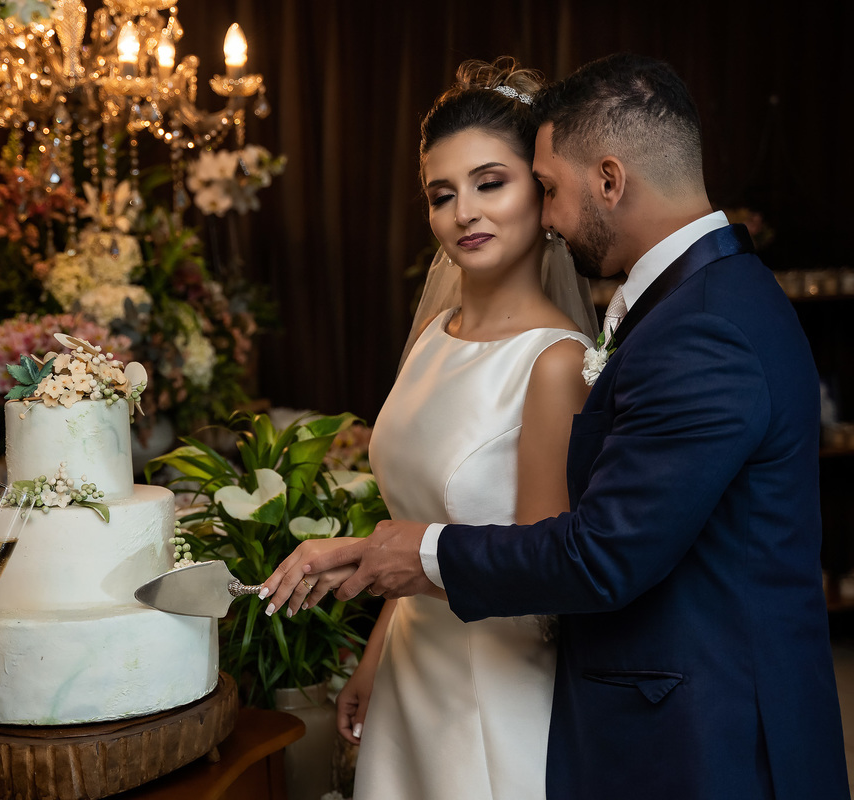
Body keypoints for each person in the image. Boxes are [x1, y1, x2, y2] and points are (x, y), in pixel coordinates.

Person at [263, 53, 849, 799]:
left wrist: (413, 553)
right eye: (443, 193)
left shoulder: (704, 329)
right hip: (648, 708)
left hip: (710, 733)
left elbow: (600, 554)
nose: (548, 216)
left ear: (609, 180)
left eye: (546, 189)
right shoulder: (696, 301)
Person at [269, 58, 598, 799]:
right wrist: (375, 657)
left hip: (490, 694)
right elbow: (414, 522)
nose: (464, 213)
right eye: (442, 194)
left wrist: (363, 556)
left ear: (541, 192)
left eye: (491, 183)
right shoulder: (433, 336)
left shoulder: (554, 363)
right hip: (411, 675)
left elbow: (541, 582)